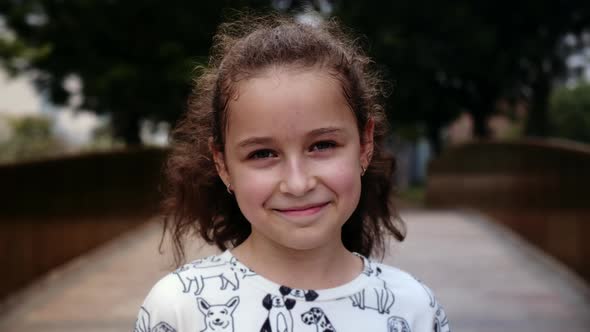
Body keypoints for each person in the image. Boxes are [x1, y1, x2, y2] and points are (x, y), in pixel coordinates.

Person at [134, 12, 450, 332]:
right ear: (223, 164)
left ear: (364, 145)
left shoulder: (414, 310)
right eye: (263, 153)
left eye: (322, 145)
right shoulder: (177, 309)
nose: (298, 184)